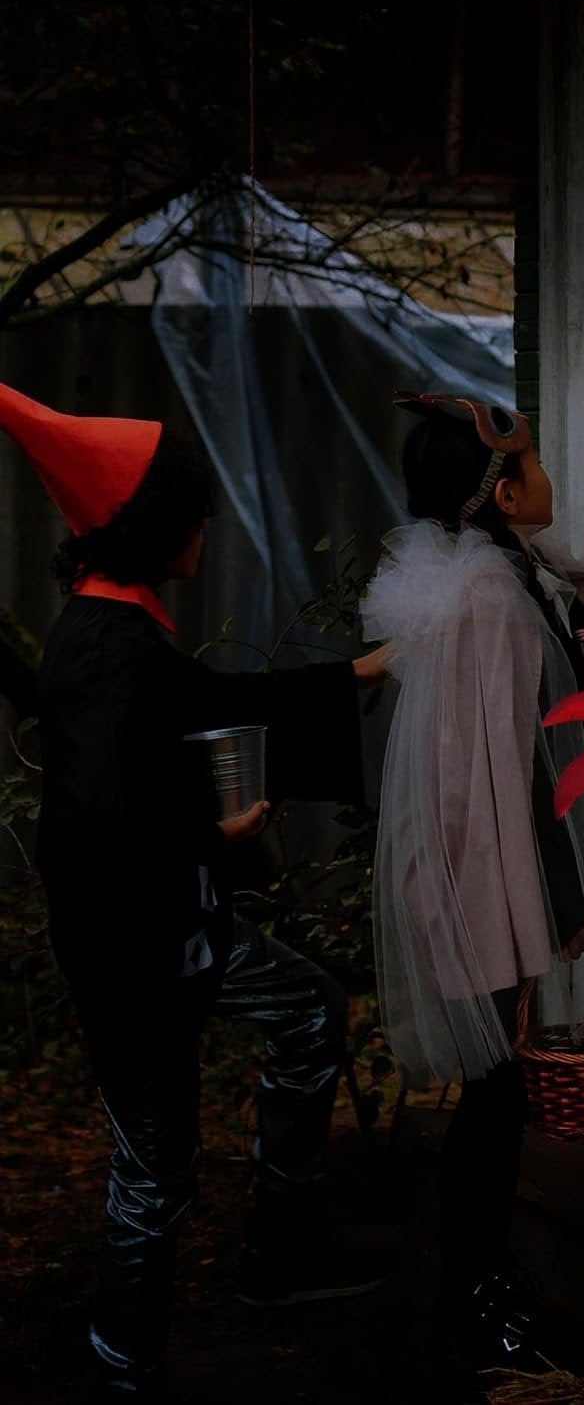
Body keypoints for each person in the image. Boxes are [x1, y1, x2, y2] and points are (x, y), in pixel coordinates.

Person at [0, 382, 395, 1404]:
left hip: (182, 926)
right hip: (132, 956)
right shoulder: (109, 650)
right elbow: (100, 827)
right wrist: (210, 837)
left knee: (309, 1010)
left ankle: (284, 1242)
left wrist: (352, 676)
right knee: (155, 1168)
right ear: (155, 527)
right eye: (195, 514)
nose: (207, 529)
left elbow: (197, 706)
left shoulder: (111, 629)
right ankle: (121, 1366)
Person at [362, 391, 584, 1380]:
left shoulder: (493, 571)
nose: (548, 479)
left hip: (472, 867)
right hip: (478, 871)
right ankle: (476, 1301)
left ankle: (477, 1287)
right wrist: (549, 898)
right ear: (503, 495)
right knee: (495, 1095)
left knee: (494, 1089)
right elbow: (502, 773)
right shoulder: (491, 603)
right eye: (533, 465)